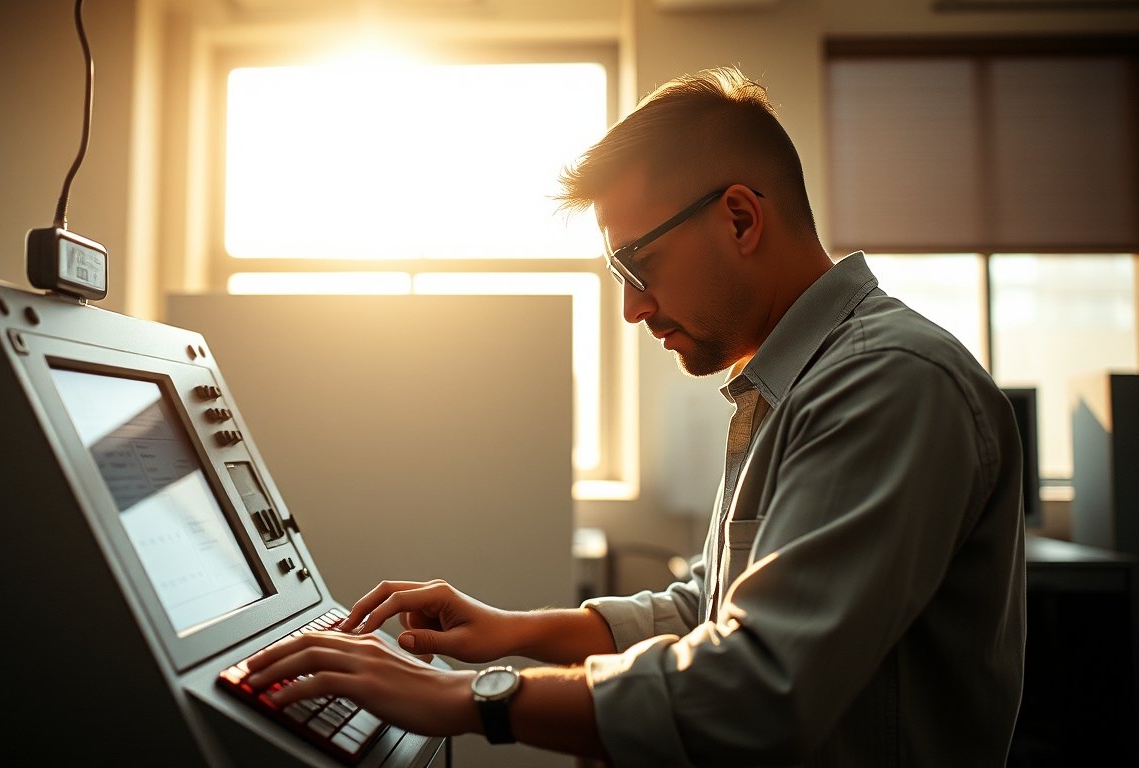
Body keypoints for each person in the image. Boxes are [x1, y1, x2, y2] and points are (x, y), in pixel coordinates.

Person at [241, 66, 1026, 766]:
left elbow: (757, 687)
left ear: (742, 220)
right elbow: (704, 609)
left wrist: (465, 697)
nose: (629, 308)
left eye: (637, 265)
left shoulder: (886, 383)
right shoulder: (797, 384)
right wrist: (512, 630)